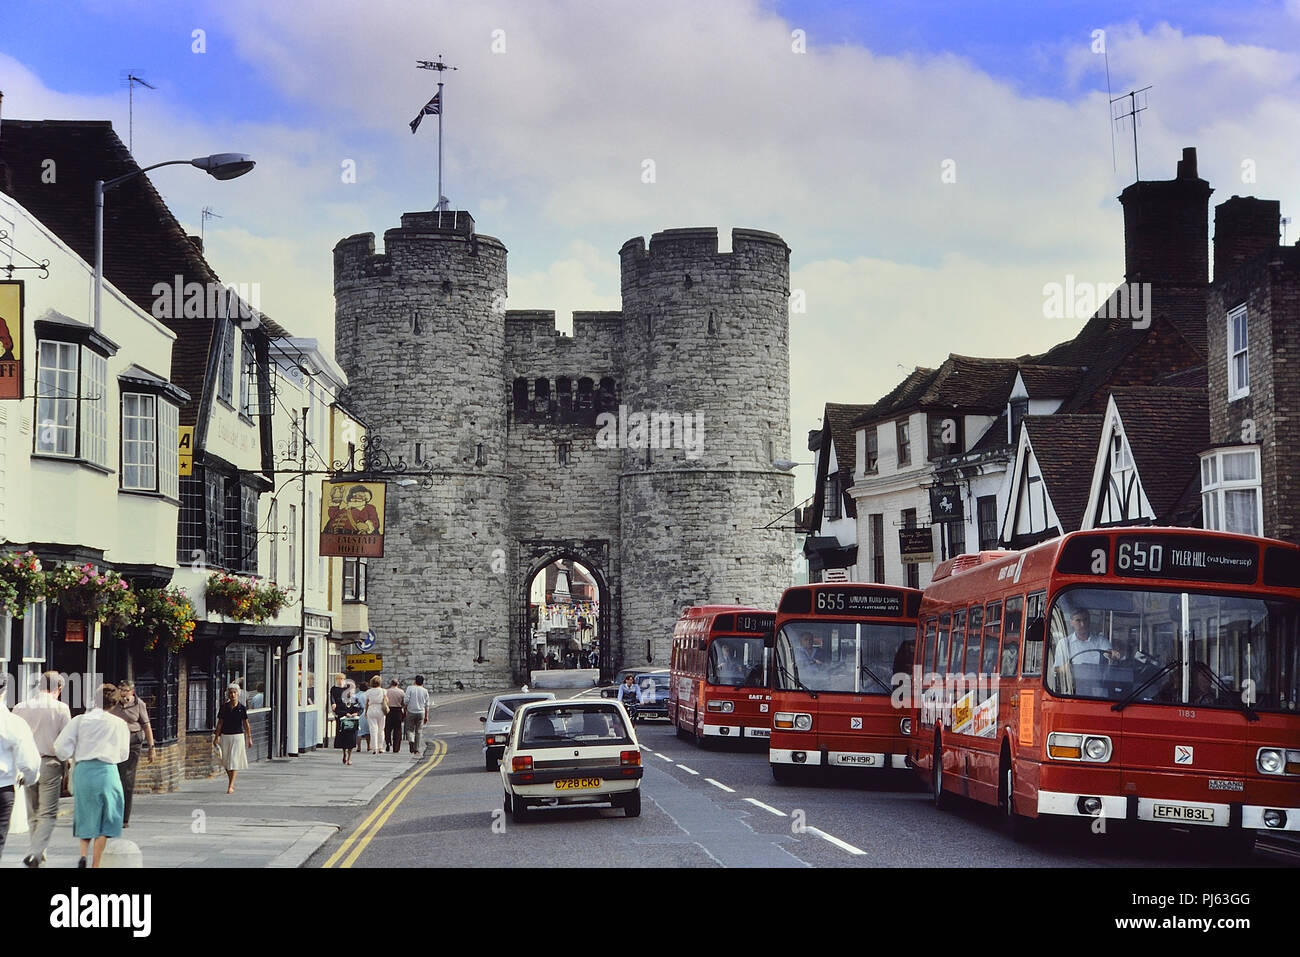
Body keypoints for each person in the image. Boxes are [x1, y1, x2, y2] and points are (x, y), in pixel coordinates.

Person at [53, 683, 129, 868]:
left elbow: (60, 747)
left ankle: (83, 855)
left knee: (86, 813)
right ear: (114, 703)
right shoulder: (119, 724)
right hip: (107, 771)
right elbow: (123, 754)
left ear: (95, 700)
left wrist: (71, 756)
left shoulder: (79, 720)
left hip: (84, 771)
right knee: (107, 819)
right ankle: (96, 863)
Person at [13, 670, 70, 867]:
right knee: (48, 813)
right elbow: (65, 742)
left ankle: (37, 853)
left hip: (26, 763)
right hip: (49, 763)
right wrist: (66, 765)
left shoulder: (20, 707)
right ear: (58, 688)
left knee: (33, 812)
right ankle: (35, 853)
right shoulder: (61, 709)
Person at [0, 672, 41, 864]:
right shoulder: (13, 723)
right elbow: (29, 762)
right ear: (4, 691)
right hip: (3, 786)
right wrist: (29, 778)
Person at [108, 680, 154, 828]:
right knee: (114, 779)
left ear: (132, 692)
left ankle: (124, 818)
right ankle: (112, 814)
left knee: (127, 780)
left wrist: (151, 747)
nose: (122, 693)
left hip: (132, 743)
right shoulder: (113, 704)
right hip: (115, 744)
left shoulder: (139, 704)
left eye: (126, 691)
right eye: (120, 690)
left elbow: (146, 726)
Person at [213, 683, 252, 794]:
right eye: (231, 693)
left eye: (234, 692)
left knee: (233, 760)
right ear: (228, 694)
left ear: (238, 694)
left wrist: (249, 737)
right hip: (225, 736)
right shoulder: (224, 707)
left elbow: (246, 724)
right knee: (226, 761)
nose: (233, 695)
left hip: (237, 736)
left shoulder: (242, 708)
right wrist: (216, 737)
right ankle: (231, 781)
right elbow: (220, 723)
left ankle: (231, 785)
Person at [404, 675, 431, 755]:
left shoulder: (410, 688)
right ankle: (416, 749)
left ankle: (411, 741)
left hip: (411, 711)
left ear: (415, 681)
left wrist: (405, 708)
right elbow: (427, 705)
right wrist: (426, 716)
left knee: (409, 729)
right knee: (419, 731)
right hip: (421, 712)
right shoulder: (425, 691)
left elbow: (406, 700)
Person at [335, 683, 361, 765]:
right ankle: (344, 753)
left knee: (351, 740)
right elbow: (337, 710)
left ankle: (349, 757)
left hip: (352, 722)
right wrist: (345, 713)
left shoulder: (355, 700)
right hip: (343, 722)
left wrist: (356, 713)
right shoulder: (340, 700)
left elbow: (359, 709)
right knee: (344, 740)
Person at [363, 675, 387, 754]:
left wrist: (366, 712)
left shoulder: (368, 692)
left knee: (373, 729)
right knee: (381, 729)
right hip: (380, 709)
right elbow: (387, 700)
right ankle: (380, 747)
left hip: (371, 709)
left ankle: (374, 748)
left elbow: (367, 703)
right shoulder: (383, 691)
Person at [384, 678, 406, 754]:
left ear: (391, 683)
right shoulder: (401, 692)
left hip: (389, 710)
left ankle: (388, 742)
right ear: (397, 684)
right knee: (397, 730)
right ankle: (396, 748)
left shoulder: (386, 691)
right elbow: (404, 703)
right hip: (398, 711)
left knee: (387, 728)